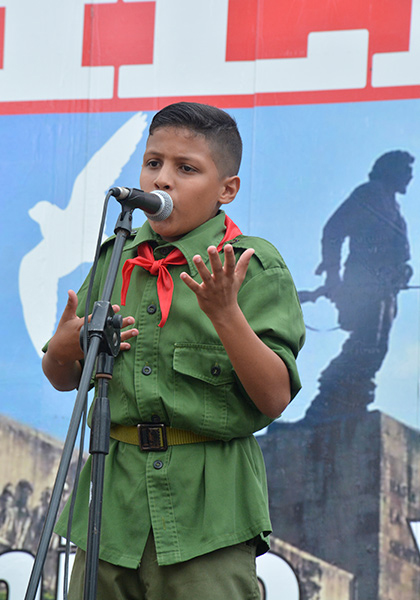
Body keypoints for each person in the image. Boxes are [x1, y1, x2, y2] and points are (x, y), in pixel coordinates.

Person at [42, 102, 305, 599]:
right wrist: (60, 349)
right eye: (153, 163)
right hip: (111, 510)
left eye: (187, 169)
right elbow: (62, 374)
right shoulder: (117, 255)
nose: (162, 180)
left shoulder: (251, 264)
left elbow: (273, 398)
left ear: (227, 189)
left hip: (207, 517)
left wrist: (225, 313)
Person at [304, 150, 414, 422]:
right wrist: (332, 275)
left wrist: (403, 273)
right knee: (365, 344)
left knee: (376, 348)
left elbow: (400, 256)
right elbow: (333, 231)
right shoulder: (370, 194)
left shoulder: (394, 206)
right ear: (391, 170)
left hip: (386, 291)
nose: (411, 175)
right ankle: (325, 407)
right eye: (406, 169)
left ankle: (352, 404)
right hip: (363, 286)